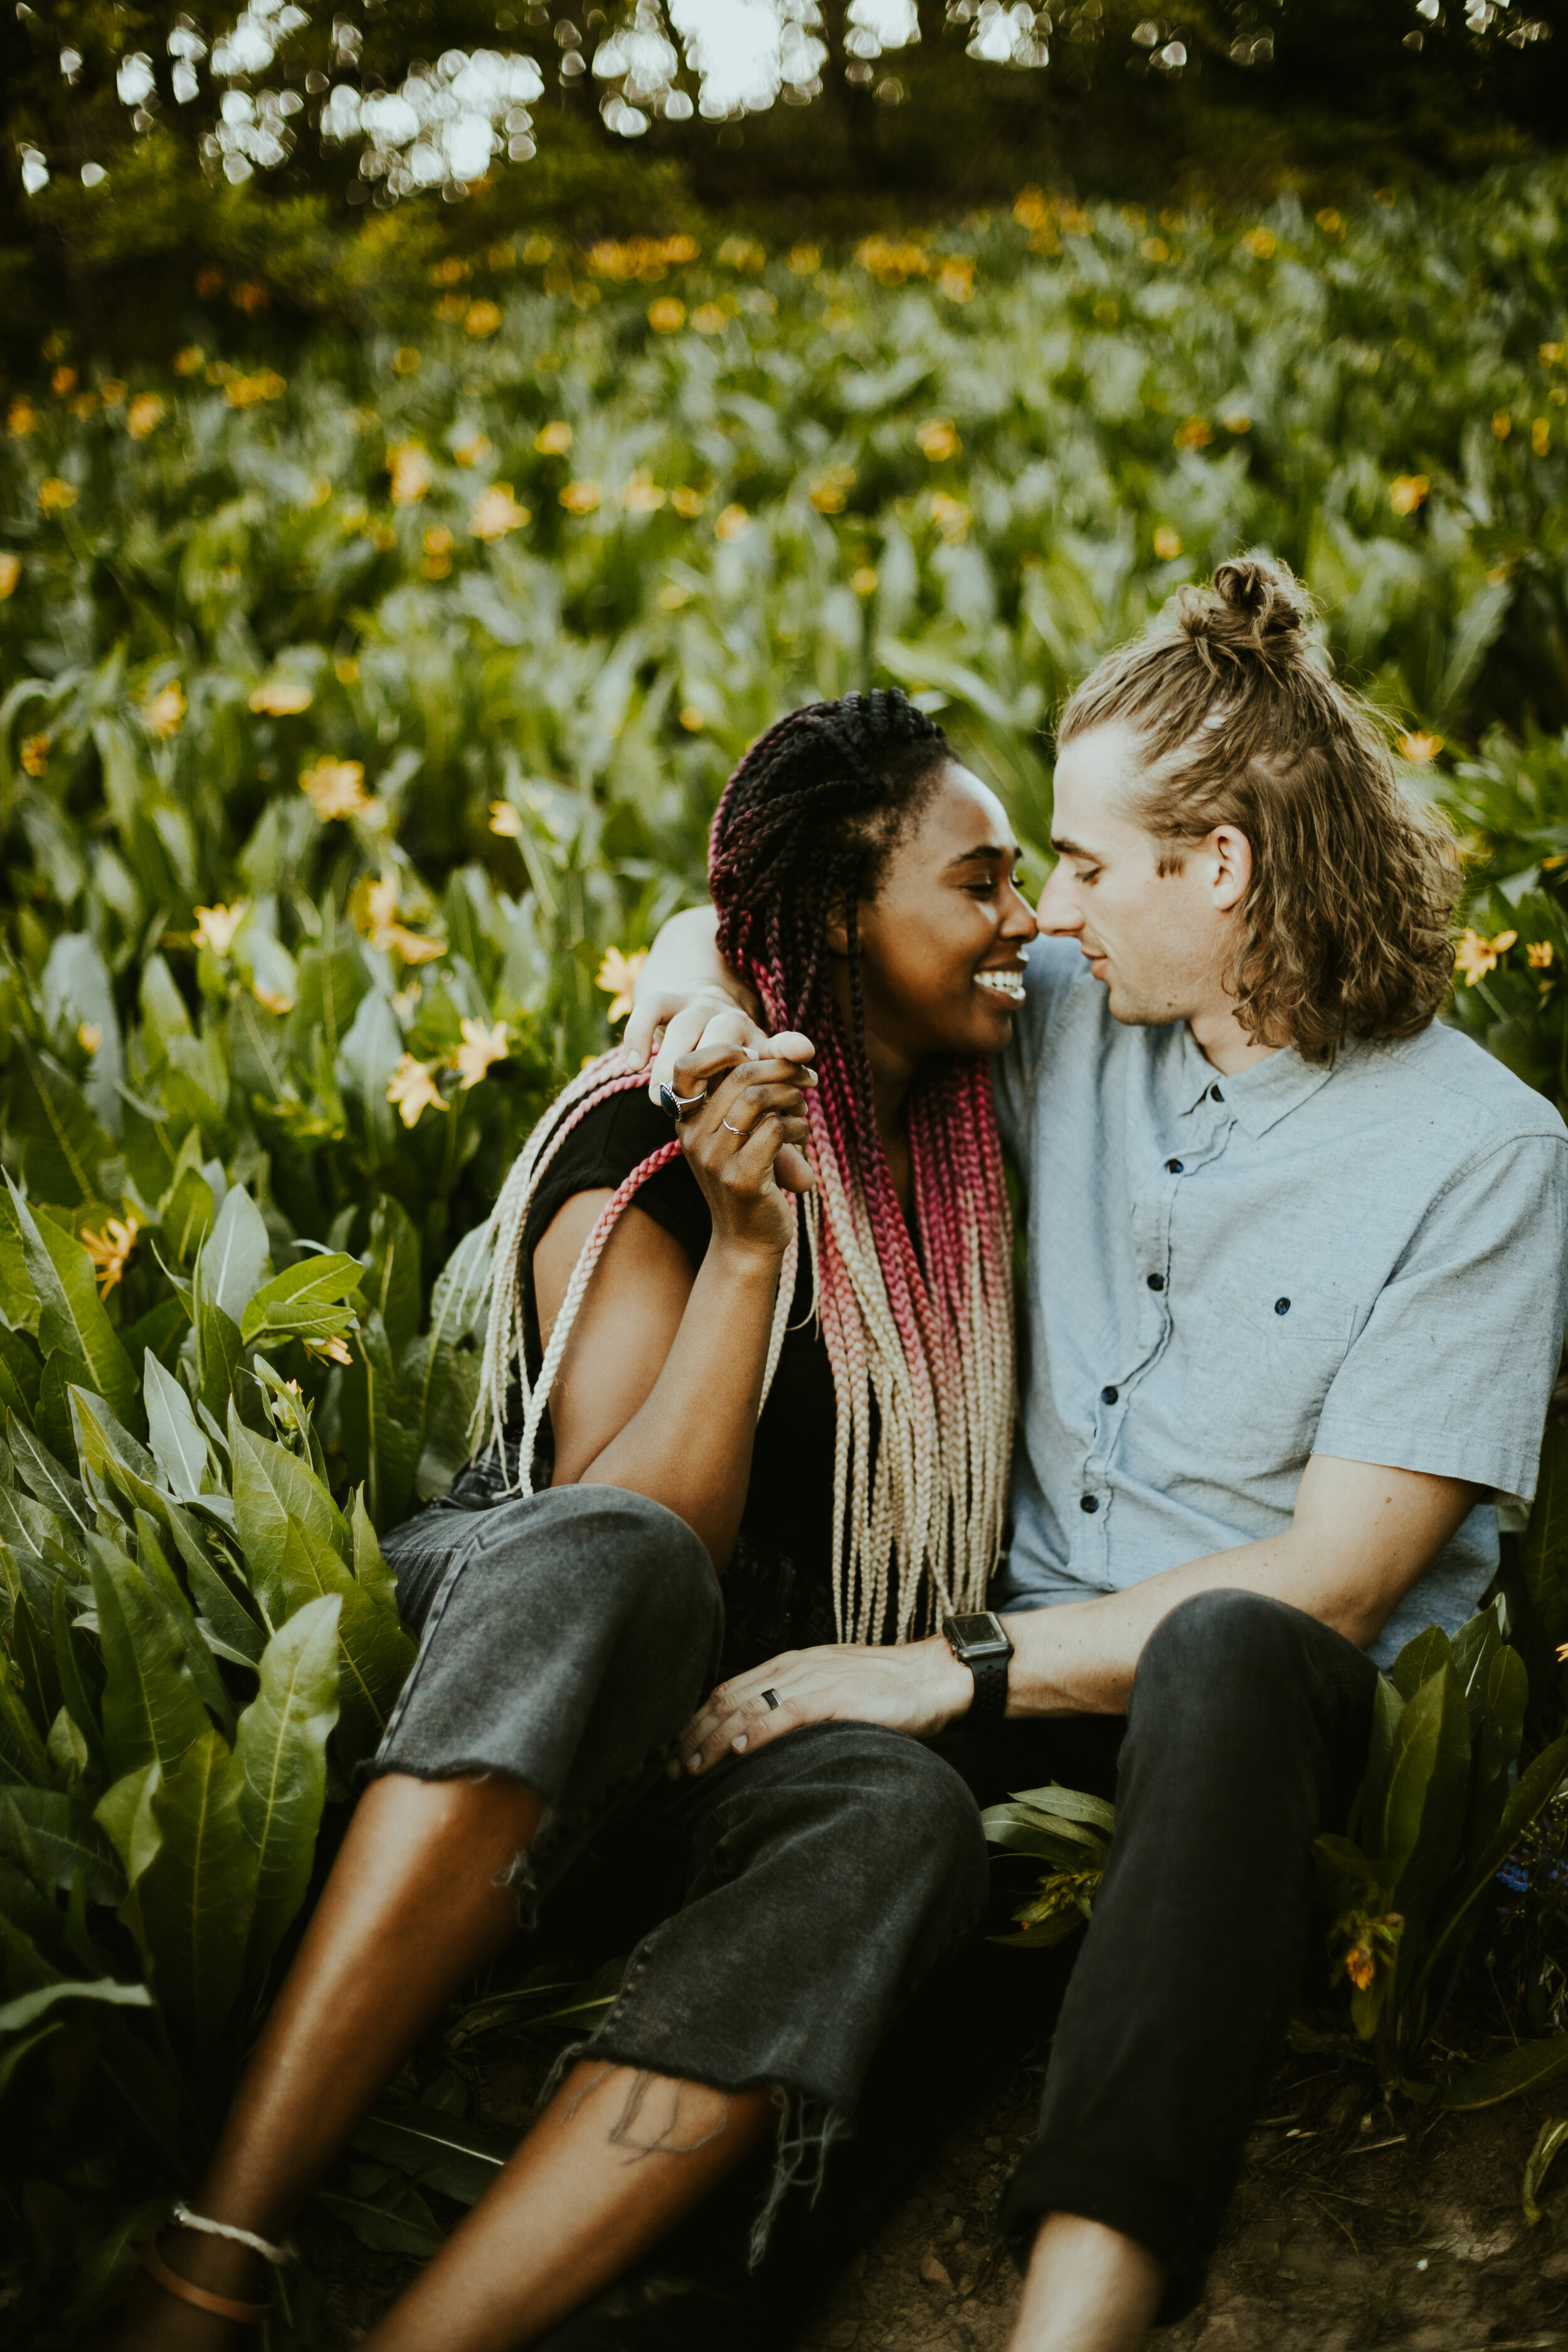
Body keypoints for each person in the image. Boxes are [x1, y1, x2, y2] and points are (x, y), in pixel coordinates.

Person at [628, 554, 1568, 2351]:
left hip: (1291, 1740)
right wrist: (696, 971)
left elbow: (1338, 1583)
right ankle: (699, 2295)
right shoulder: (1064, 1023)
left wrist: (938, 1666)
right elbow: (799, 920)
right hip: (1040, 1712)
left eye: (1078, 865)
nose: (1044, 915)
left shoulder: (1483, 1155)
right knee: (905, 1907)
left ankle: (1080, 2319)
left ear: (1217, 867)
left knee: (1223, 1650)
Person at [115, 687, 1040, 2350]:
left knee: (900, 1811)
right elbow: (642, 1533)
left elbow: (716, 919)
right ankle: (211, 2258)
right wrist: (751, 1254)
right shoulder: (647, 1132)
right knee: (616, 1560)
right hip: (519, 1650)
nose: (1020, 918)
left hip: (725, 1731)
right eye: (978, 880)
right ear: (842, 911)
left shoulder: (961, 1154)